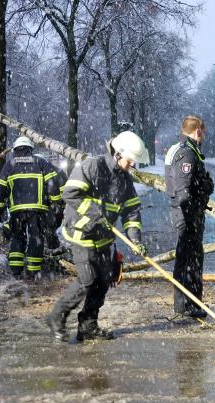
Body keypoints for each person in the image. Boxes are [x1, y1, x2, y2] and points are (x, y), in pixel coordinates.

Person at [46, 131, 149, 342]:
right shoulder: (93, 167)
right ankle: (56, 317)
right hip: (81, 234)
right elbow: (71, 193)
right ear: (119, 154)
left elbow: (132, 212)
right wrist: (96, 213)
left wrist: (135, 239)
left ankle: (88, 326)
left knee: (103, 282)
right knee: (88, 281)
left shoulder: (125, 180)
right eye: (131, 161)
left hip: (104, 238)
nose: (132, 166)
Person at [164, 115, 214, 318]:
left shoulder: (181, 149)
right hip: (188, 214)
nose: (204, 136)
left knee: (186, 258)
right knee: (191, 259)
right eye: (203, 132)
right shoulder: (188, 153)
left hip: (186, 212)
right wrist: (190, 212)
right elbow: (184, 189)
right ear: (198, 131)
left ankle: (184, 304)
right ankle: (190, 304)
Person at [0, 136, 62, 278]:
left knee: (17, 237)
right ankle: (33, 271)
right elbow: (53, 183)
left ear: (15, 150)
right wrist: (56, 203)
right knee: (35, 238)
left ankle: (16, 271)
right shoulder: (40, 162)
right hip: (37, 210)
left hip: (17, 211)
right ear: (31, 149)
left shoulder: (9, 165)